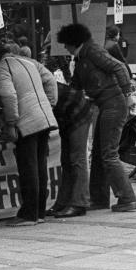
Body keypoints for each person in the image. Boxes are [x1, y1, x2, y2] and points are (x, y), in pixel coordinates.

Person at [0, 33, 57, 227]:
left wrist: (11, 122)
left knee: (28, 167)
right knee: (39, 165)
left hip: (26, 122)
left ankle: (28, 214)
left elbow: (9, 96)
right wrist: (49, 104)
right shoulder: (29, 61)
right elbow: (51, 81)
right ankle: (39, 212)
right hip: (44, 117)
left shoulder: (2, 68)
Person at [57, 23, 136, 212]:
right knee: (100, 153)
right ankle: (99, 198)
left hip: (114, 105)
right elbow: (76, 86)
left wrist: (128, 94)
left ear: (73, 42)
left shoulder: (92, 51)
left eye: (66, 44)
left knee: (109, 154)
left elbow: (119, 67)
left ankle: (127, 198)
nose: (65, 48)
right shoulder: (81, 58)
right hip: (106, 105)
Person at [46, 81, 94, 218]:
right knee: (66, 160)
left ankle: (80, 203)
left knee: (77, 158)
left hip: (78, 113)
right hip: (66, 114)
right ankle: (63, 202)